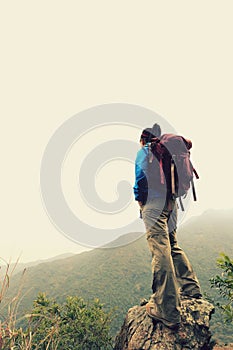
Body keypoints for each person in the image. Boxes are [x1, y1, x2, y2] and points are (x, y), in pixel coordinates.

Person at [133, 123, 202, 329]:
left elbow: (139, 179)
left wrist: (140, 201)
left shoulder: (145, 151)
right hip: (172, 203)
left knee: (160, 250)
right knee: (172, 245)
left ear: (143, 139)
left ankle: (168, 310)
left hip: (153, 205)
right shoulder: (168, 149)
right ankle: (191, 289)